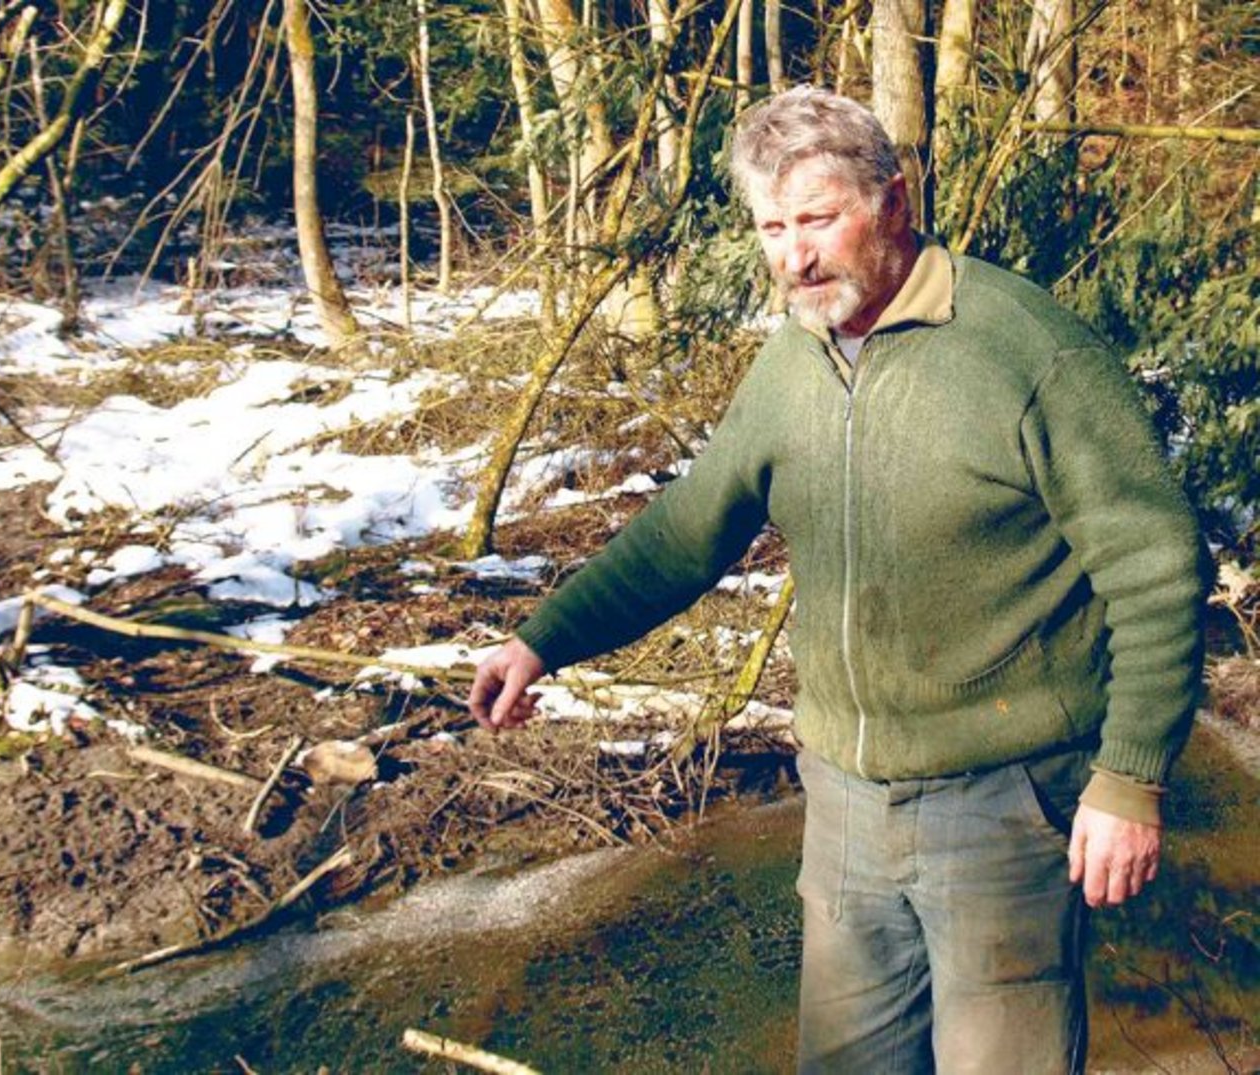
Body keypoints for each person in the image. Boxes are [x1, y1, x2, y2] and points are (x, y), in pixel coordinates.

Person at [467, 86, 1207, 1074]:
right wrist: (542, 639)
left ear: (891, 204)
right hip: (846, 804)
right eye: (772, 227)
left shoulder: (1026, 353)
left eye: (817, 218)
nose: (792, 255)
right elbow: (691, 526)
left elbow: (1154, 567)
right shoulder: (791, 359)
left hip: (1003, 803)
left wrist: (1127, 782)